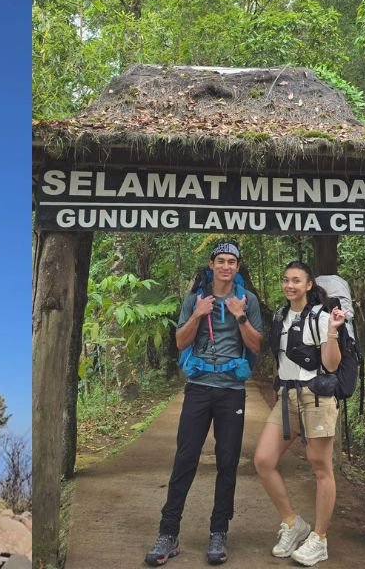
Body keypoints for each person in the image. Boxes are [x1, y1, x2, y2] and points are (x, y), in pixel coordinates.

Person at [145, 242, 264, 566]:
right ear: (212, 265)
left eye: (232, 262)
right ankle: (168, 533)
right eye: (221, 261)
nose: (226, 266)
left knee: (227, 462)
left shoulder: (247, 301)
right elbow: (181, 341)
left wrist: (240, 317)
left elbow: (256, 344)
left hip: (231, 391)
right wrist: (197, 315)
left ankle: (218, 532)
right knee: (185, 459)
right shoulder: (194, 299)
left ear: (237, 267)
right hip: (198, 388)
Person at [253, 261, 345, 567]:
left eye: (296, 280)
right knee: (264, 461)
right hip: (287, 396)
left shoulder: (320, 317)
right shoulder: (281, 315)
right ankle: (293, 524)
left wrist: (332, 332)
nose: (289, 285)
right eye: (286, 280)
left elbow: (331, 365)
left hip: (316, 397)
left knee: (321, 468)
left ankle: (319, 539)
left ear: (308, 285)